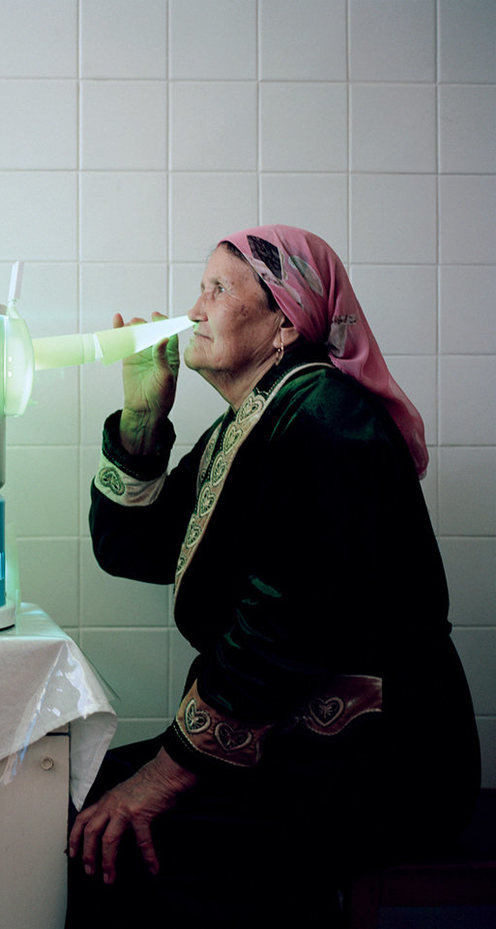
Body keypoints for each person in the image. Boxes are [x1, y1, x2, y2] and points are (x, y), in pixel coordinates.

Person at [67, 225, 479, 929]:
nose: (193, 310)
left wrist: (164, 776)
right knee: (82, 798)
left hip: (379, 764)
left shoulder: (326, 418)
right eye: (200, 290)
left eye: (217, 290)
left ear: (286, 321)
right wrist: (141, 418)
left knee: (117, 837)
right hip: (296, 746)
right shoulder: (249, 422)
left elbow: (283, 626)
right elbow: (131, 550)